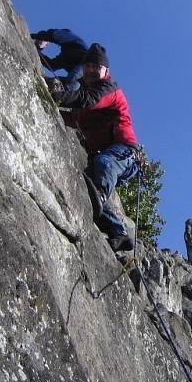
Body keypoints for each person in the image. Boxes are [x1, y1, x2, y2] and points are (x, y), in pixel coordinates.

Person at [52, 43, 140, 252]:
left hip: (124, 152)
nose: (91, 70)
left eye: (96, 67)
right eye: (88, 66)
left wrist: (59, 95)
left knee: (102, 166)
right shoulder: (84, 96)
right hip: (107, 155)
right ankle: (119, 232)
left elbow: (89, 101)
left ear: (106, 71)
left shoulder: (110, 90)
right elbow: (71, 117)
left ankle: (99, 197)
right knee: (87, 185)